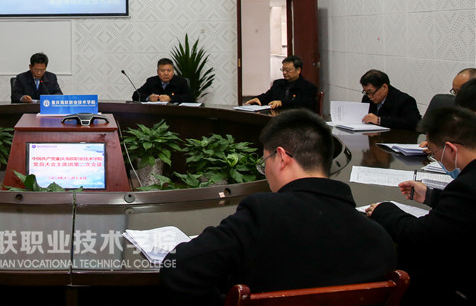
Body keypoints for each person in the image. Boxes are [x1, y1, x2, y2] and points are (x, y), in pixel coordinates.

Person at [160, 109, 395, 304]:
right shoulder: (378, 238)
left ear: (281, 157)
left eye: (265, 161)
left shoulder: (261, 215)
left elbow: (178, 267)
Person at [367, 106, 476, 304]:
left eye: (434, 153)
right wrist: (431, 196)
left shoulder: (466, 186)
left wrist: (384, 211)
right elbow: (466, 210)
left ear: (451, 149)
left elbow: (420, 234)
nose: (436, 159)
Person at [243, 55, 317, 111]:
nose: (284, 73)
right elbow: (268, 96)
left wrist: (282, 103)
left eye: (287, 70)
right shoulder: (278, 84)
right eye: (283, 70)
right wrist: (259, 99)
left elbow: (304, 105)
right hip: (277, 119)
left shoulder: (308, 87)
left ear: (298, 70)